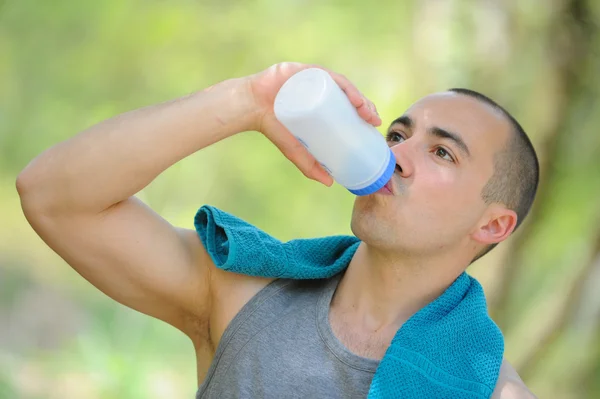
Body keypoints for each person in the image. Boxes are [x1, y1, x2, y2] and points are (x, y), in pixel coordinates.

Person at [16, 62, 538, 398]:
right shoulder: (241, 293)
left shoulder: (486, 390)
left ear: (493, 224)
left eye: (441, 151)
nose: (394, 154)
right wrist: (246, 102)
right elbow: (52, 197)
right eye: (397, 134)